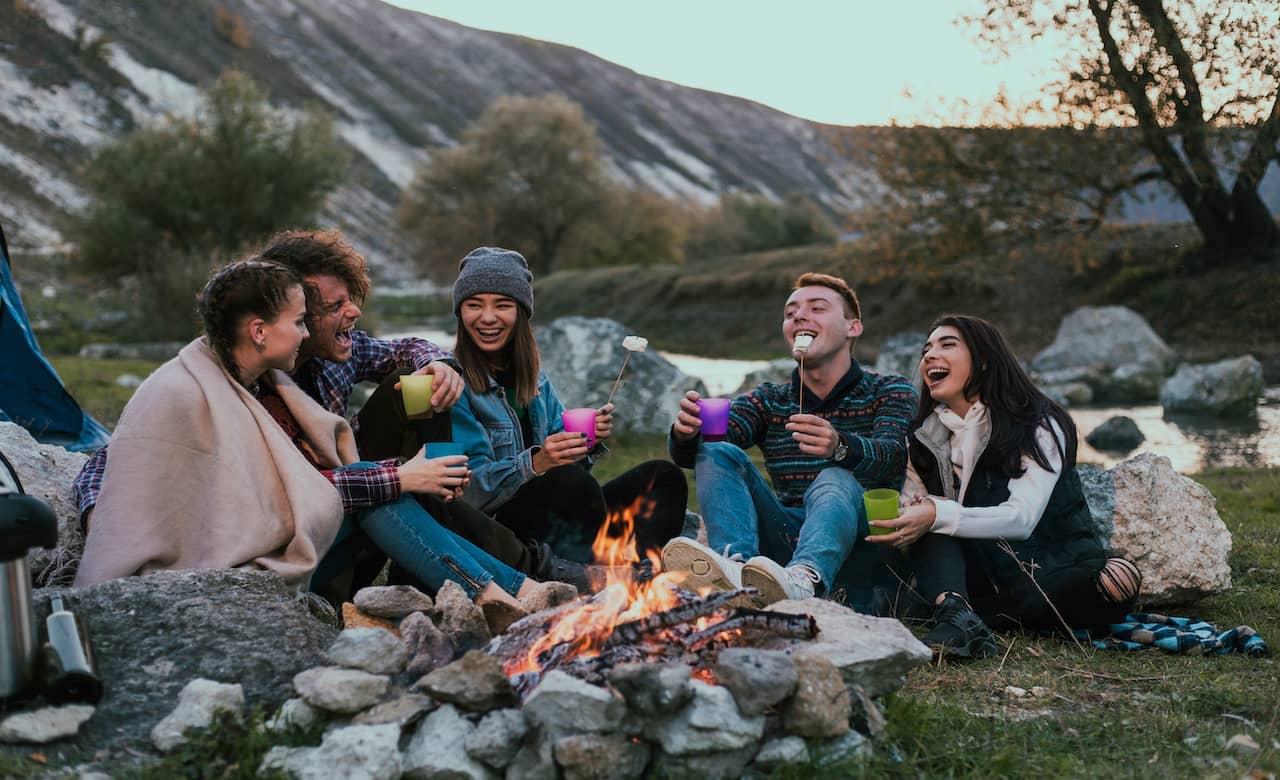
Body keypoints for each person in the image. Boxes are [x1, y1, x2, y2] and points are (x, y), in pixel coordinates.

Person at [71, 229, 597, 591]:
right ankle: (525, 581)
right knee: (381, 488)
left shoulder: (327, 358)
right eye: (324, 310)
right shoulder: (226, 381)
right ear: (273, 315)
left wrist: (441, 364)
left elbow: (401, 349)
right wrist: (109, 517)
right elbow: (121, 458)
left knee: (412, 401)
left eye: (351, 299)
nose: (353, 313)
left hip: (340, 521)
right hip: (289, 542)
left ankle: (507, 572)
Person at [868, 314, 1141, 659]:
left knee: (1118, 579)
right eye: (926, 349)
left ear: (983, 360)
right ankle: (956, 612)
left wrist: (938, 512)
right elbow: (919, 502)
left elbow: (1021, 519)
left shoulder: (1038, 423)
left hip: (1047, 570)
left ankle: (945, 611)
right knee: (928, 520)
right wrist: (914, 508)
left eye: (946, 345)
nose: (929, 355)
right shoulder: (923, 435)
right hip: (974, 576)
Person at [663, 272, 918, 607]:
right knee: (716, 450)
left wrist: (841, 446)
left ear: (853, 327)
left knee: (834, 476)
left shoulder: (889, 390)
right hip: (784, 539)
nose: (799, 316)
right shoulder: (771, 400)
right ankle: (733, 569)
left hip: (862, 539)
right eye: (790, 312)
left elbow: (892, 455)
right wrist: (688, 433)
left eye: (817, 308)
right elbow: (707, 446)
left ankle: (805, 577)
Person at [448, 247, 687, 566]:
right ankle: (588, 578)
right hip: (499, 535)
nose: (488, 317)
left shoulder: (537, 381)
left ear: (521, 312)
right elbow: (468, 494)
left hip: (560, 525)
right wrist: (536, 462)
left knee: (663, 476)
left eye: (502, 305)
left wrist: (587, 444)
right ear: (460, 313)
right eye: (474, 305)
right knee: (570, 483)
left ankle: (646, 574)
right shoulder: (452, 383)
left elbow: (572, 473)